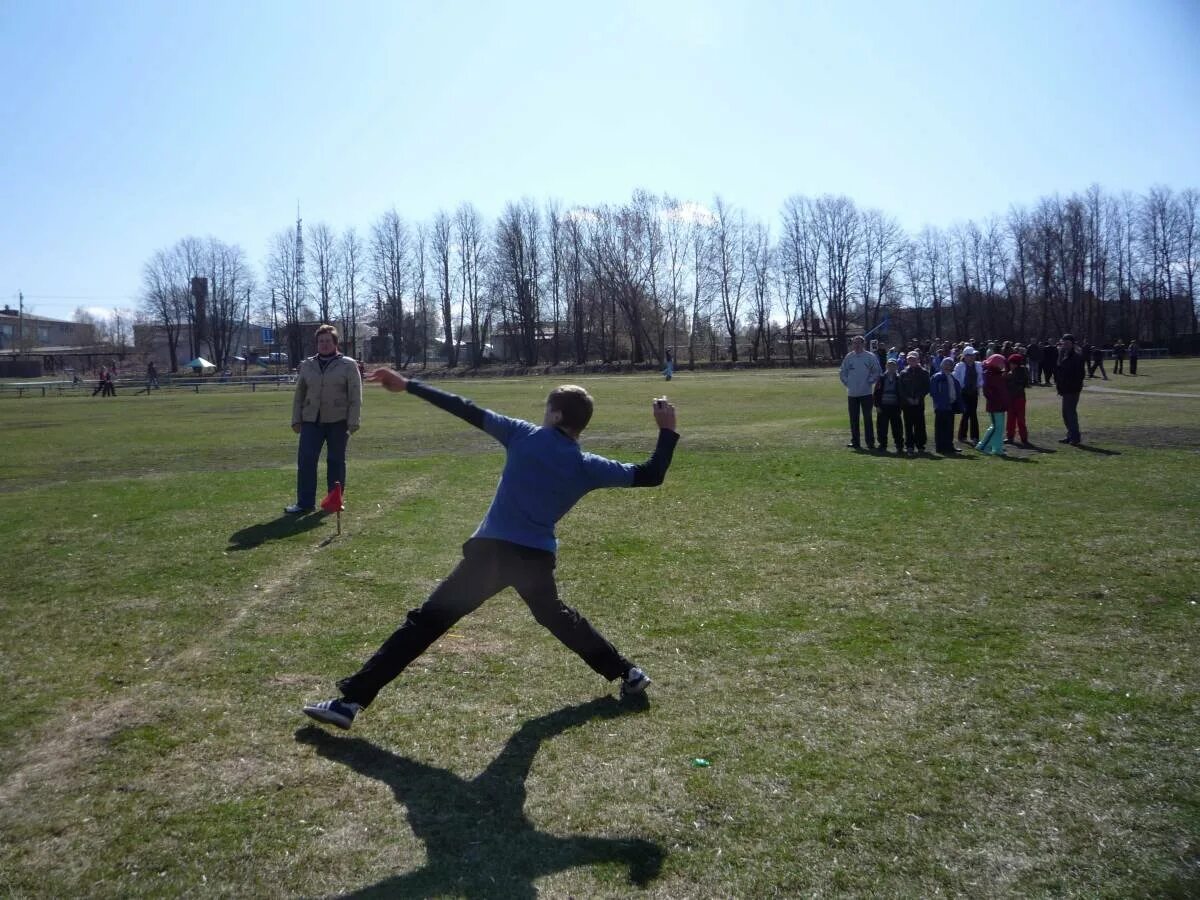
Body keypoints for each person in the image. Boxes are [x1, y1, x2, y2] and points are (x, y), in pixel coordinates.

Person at [302, 375, 679, 730]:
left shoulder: (523, 435)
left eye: (547, 408)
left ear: (558, 414)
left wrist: (411, 385)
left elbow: (463, 407)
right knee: (558, 618)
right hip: (535, 561)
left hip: (491, 559)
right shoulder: (588, 465)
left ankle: (349, 703)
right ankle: (628, 672)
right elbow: (651, 474)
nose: (543, 414)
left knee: (425, 625)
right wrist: (666, 430)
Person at [286, 324, 363, 514]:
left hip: (339, 421)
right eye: (321, 341)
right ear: (316, 344)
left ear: (335, 343)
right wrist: (296, 419)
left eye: (328, 341)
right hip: (311, 421)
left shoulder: (348, 364)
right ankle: (305, 503)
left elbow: (355, 395)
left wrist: (353, 421)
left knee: (336, 462)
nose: (324, 344)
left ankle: (334, 501)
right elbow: (299, 394)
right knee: (306, 461)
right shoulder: (307, 365)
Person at [839, 335, 881, 450]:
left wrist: (869, 381)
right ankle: (855, 441)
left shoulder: (870, 357)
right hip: (852, 394)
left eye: (859, 343)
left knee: (867, 418)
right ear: (852, 344)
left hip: (866, 393)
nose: (856, 345)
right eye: (854, 343)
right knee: (853, 418)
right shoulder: (849, 357)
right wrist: (848, 383)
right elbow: (842, 371)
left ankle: (870, 442)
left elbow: (877, 371)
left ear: (863, 344)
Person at [1055, 333, 1086, 445]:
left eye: (1067, 343)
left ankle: (1075, 437)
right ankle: (1070, 435)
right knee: (1065, 413)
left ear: (1072, 344)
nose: (1065, 345)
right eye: (1064, 343)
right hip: (1065, 389)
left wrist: (1071, 386)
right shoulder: (1062, 354)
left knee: (1070, 413)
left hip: (1072, 389)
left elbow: (1080, 374)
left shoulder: (1076, 356)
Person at [976, 353, 1009, 456]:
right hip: (995, 406)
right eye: (1001, 363)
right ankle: (982, 445)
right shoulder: (989, 374)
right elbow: (987, 392)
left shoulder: (998, 374)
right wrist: (996, 400)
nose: (1003, 365)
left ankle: (997, 448)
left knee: (999, 428)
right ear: (995, 364)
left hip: (1000, 405)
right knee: (995, 427)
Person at [929, 356, 963, 454]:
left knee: (950, 427)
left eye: (950, 364)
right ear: (942, 365)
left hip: (951, 406)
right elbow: (933, 392)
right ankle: (940, 447)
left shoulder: (953, 377)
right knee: (940, 428)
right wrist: (939, 403)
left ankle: (949, 446)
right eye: (946, 364)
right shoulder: (937, 377)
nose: (948, 366)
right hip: (941, 407)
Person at [898, 350, 929, 454]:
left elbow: (926, 388)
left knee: (920, 424)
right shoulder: (903, 373)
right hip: (907, 404)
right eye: (910, 359)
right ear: (907, 360)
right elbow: (901, 389)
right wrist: (908, 398)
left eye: (914, 359)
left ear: (918, 360)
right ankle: (909, 445)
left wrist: (918, 397)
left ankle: (920, 445)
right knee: (908, 425)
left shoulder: (924, 372)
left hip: (919, 403)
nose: (912, 361)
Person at [873, 358, 904, 454]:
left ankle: (899, 445)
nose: (891, 367)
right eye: (889, 365)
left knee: (897, 427)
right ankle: (882, 444)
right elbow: (876, 393)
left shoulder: (899, 378)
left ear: (896, 367)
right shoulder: (881, 378)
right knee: (882, 427)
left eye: (893, 365)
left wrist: (901, 406)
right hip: (883, 406)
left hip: (895, 406)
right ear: (886, 366)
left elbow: (902, 393)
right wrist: (877, 405)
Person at [954, 346, 983, 444]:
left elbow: (981, 378)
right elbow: (956, 379)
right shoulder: (959, 366)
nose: (973, 357)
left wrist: (979, 385)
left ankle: (975, 436)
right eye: (971, 355)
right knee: (965, 413)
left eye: (973, 355)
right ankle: (962, 436)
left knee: (973, 414)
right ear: (966, 356)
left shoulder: (978, 365)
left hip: (974, 392)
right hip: (964, 393)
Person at [1004, 353, 1031, 446]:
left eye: (1013, 363)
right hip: (1011, 398)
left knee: (1020, 419)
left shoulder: (1022, 371)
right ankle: (1010, 437)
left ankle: (1024, 438)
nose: (1011, 365)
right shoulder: (1009, 372)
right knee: (1010, 419)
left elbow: (1025, 383)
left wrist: (1010, 376)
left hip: (1019, 398)